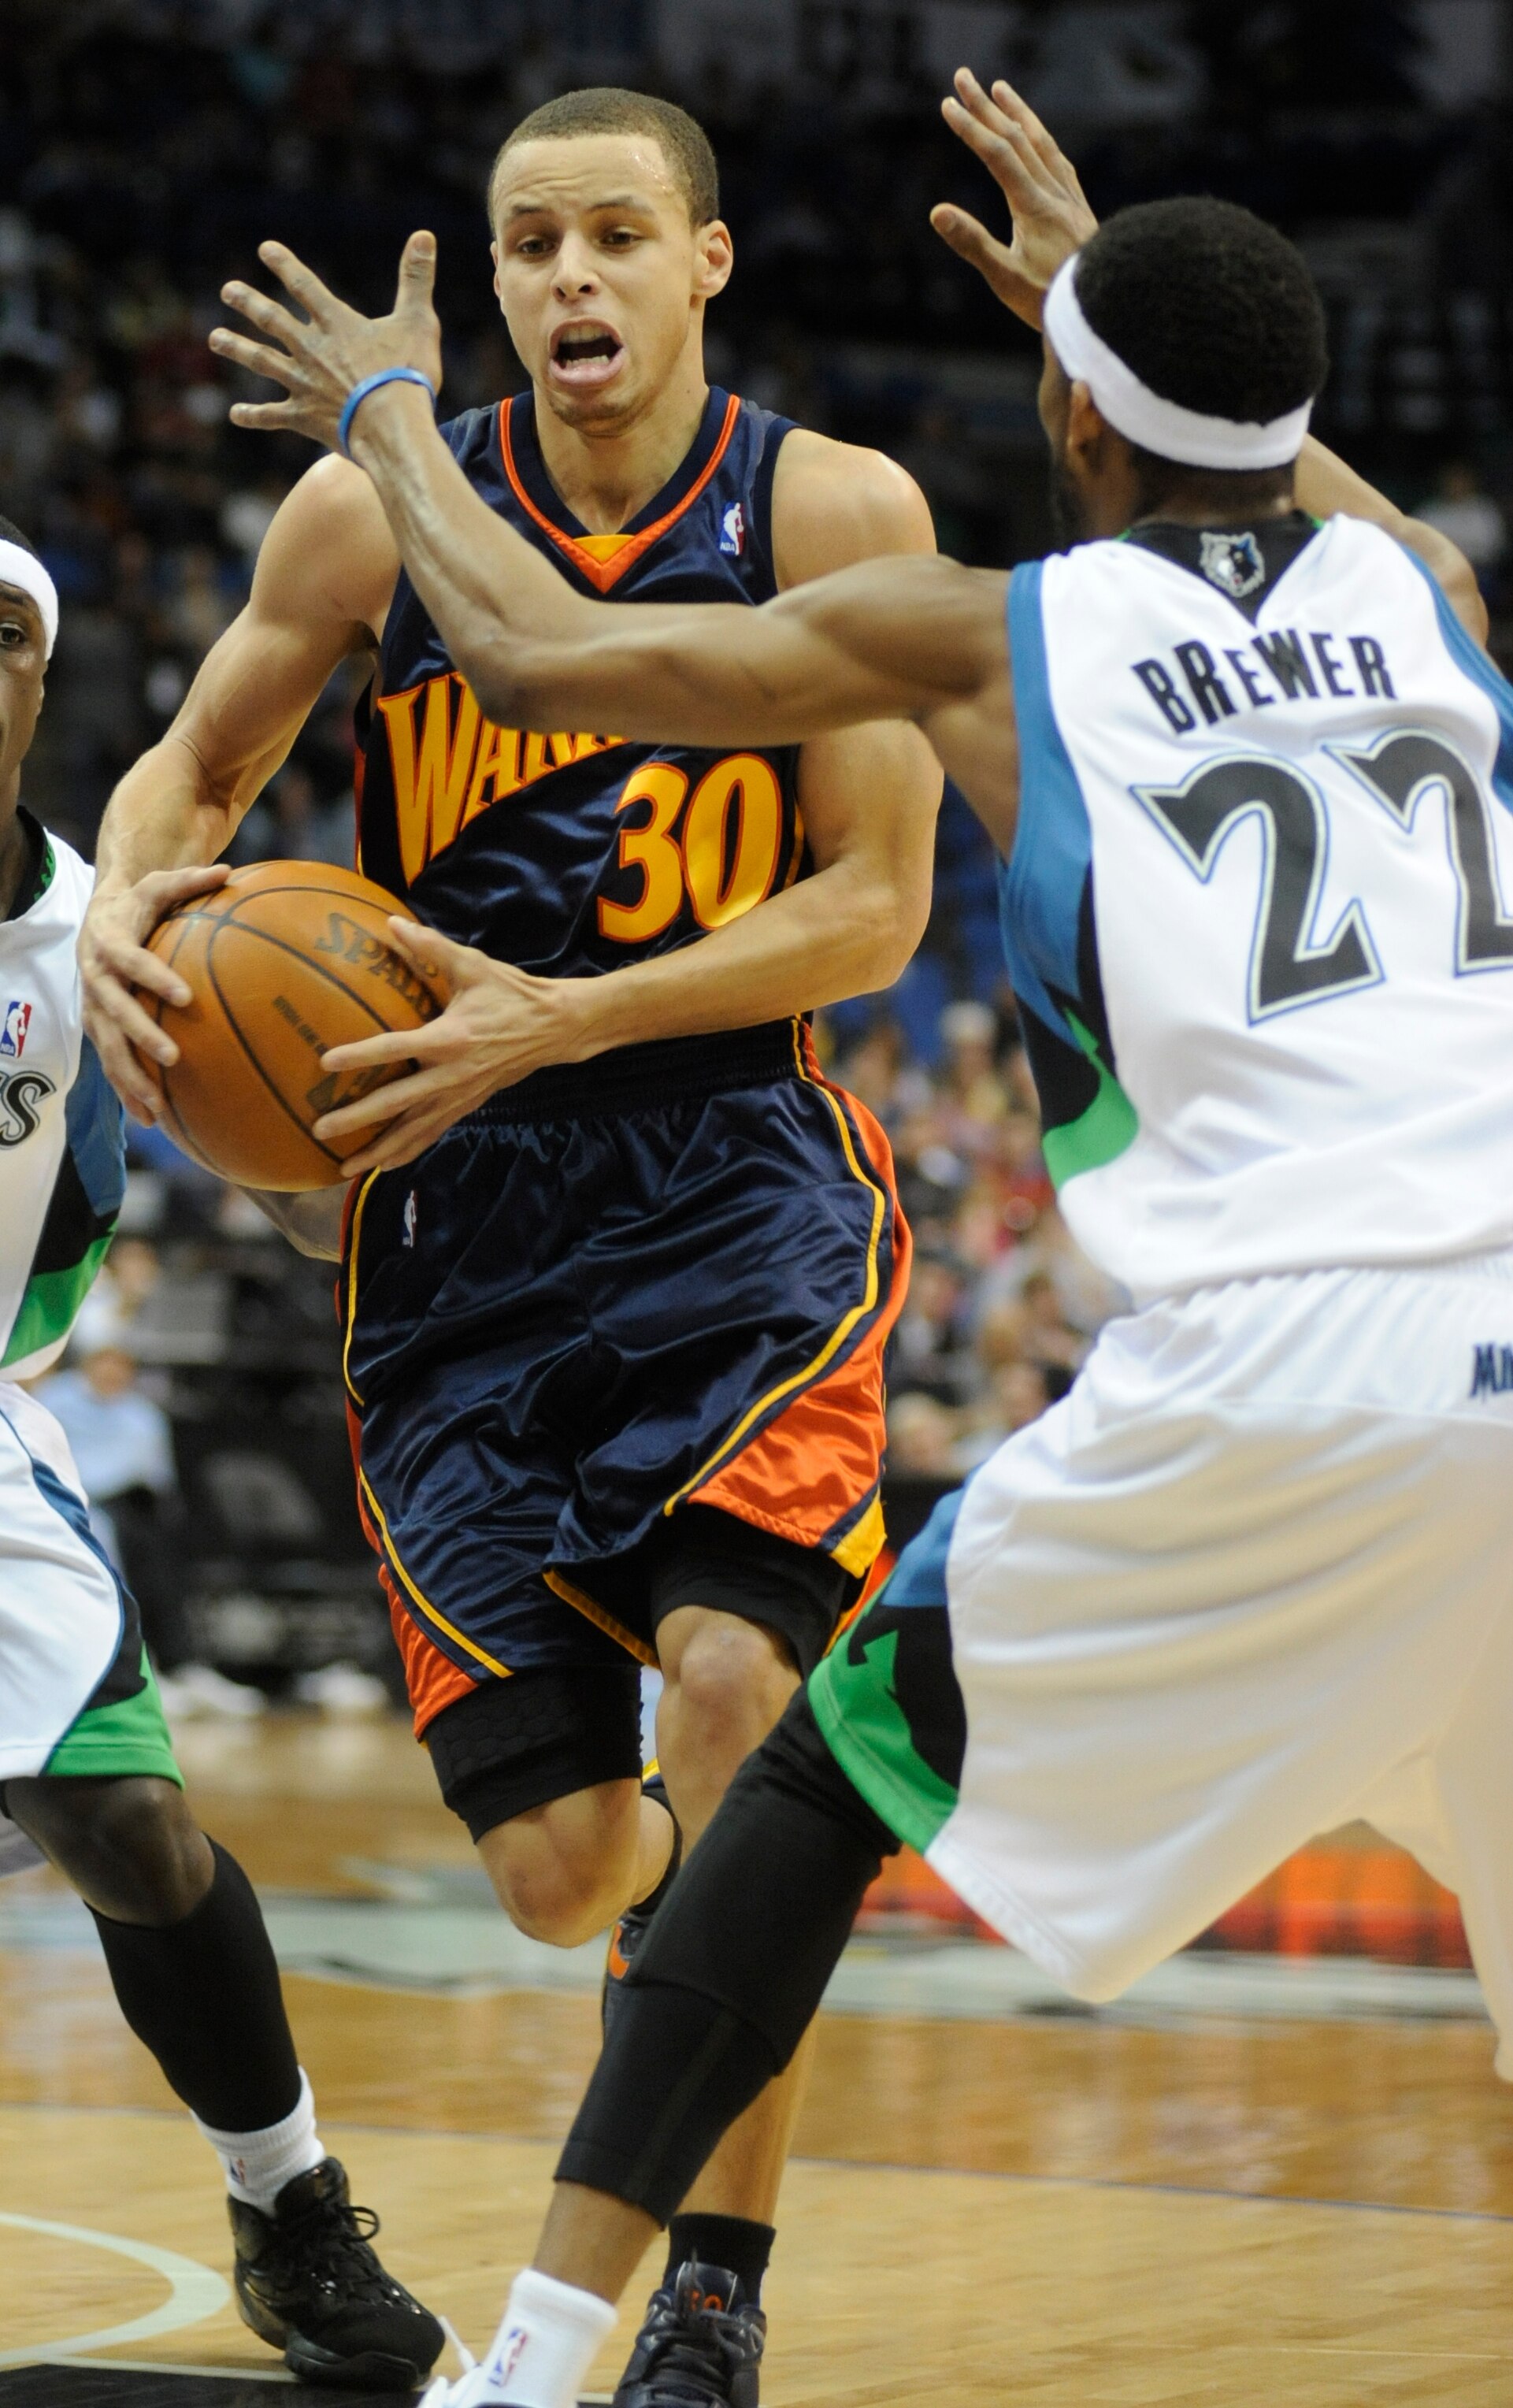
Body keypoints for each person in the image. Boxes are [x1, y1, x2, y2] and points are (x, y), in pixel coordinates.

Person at [206, 65, 1513, 2406]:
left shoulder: (1006, 626)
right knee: (665, 1811)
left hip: (1284, 1343)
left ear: (1063, 416)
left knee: (790, 1785)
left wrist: (396, 417)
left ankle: (558, 2354)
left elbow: (538, 664)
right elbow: (1304, 480)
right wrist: (1125, 321)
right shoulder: (1430, 601)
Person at [80, 86, 940, 2404]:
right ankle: (710, 1963)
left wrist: (568, 1012)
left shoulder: (826, 508)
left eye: (617, 239)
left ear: (707, 266)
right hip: (448, 1225)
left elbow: (876, 901)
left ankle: (706, 2304)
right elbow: (189, 768)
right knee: (573, 1873)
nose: (573, 279)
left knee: (742, 1695)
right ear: (494, 277)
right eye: (532, 241)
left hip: (721, 1171)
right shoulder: (373, 513)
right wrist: (139, 909)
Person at [0, 515, 441, 2388]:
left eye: (2, 637)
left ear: (39, 677)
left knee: (128, 1823)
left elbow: (305, 1214)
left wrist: (349, 1146)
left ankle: (288, 2202)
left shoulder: (108, 933)